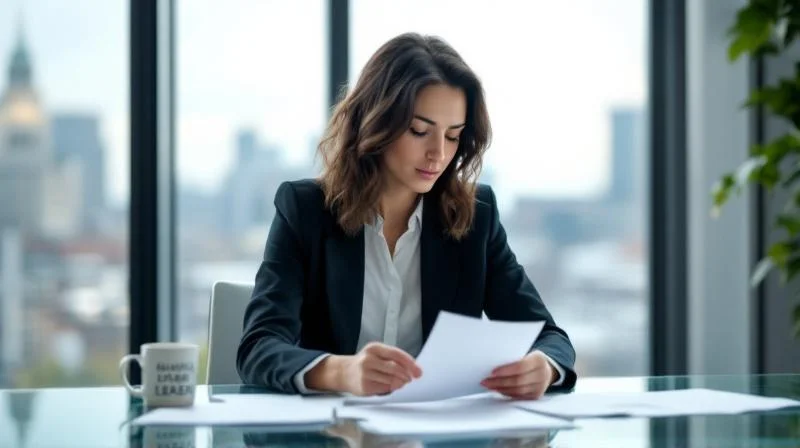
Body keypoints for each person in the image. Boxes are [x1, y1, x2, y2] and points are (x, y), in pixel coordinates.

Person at [236, 32, 576, 399]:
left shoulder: (476, 217)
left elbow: (550, 337)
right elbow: (258, 347)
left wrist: (543, 366)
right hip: (333, 433)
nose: (438, 154)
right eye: (419, 131)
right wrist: (341, 372)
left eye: (453, 136)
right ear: (375, 121)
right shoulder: (304, 210)